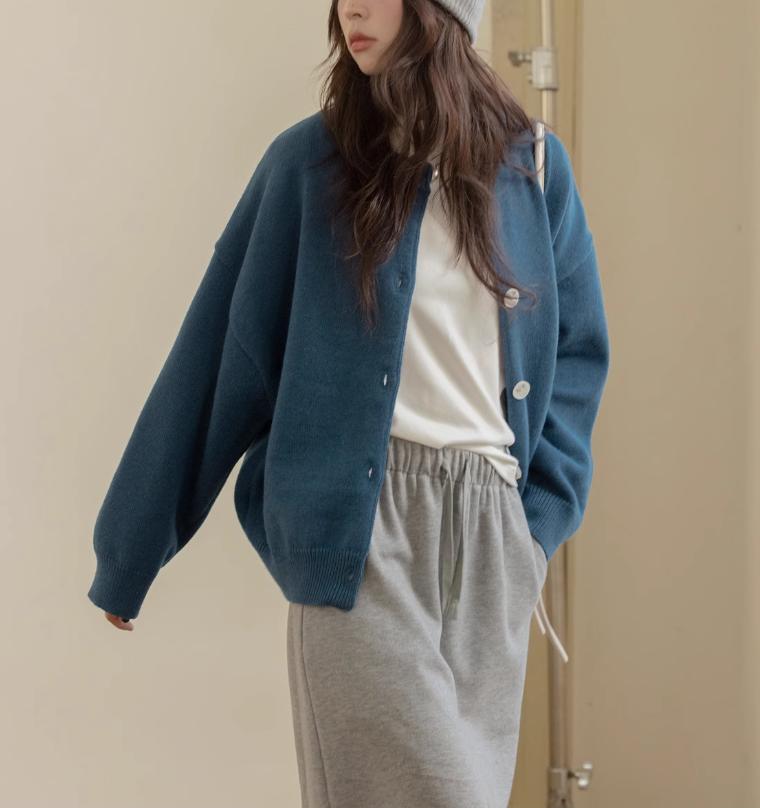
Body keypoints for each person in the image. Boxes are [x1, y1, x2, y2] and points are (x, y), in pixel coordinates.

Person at [87, 0, 610, 805]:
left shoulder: (534, 169)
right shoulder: (309, 166)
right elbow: (221, 355)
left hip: (490, 548)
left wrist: (532, 530)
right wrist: (132, 548)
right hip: (362, 541)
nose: (350, 8)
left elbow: (577, 354)